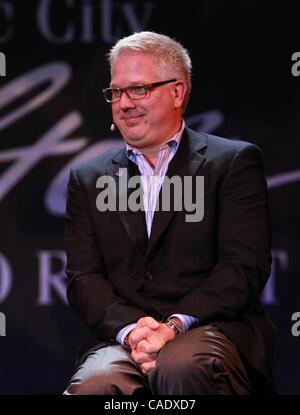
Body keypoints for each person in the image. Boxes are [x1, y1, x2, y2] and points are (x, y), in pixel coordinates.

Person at [64, 31, 274, 395]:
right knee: (96, 385)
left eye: (138, 90)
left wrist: (172, 327)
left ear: (177, 92)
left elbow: (243, 266)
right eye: (116, 92)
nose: (124, 103)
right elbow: (84, 277)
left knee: (180, 367)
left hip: (209, 329)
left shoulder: (233, 163)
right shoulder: (88, 178)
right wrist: (135, 333)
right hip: (126, 340)